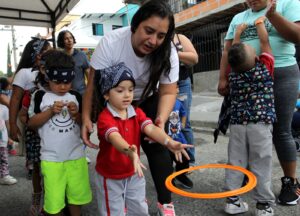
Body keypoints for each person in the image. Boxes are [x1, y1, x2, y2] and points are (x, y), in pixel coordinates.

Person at [82, 1, 181, 215]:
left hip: (147, 98)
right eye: (149, 31)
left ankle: (165, 202)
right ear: (135, 24)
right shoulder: (111, 42)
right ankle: (115, 191)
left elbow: (168, 91)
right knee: (115, 144)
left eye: (161, 35)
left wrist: (161, 121)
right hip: (114, 98)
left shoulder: (167, 52)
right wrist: (86, 116)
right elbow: (92, 84)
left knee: (157, 145)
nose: (154, 41)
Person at [218, 0, 300, 205]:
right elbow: (227, 51)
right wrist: (222, 78)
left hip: (281, 72)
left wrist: (272, 16)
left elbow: (297, 36)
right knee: (246, 130)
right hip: (242, 77)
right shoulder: (238, 18)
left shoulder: (288, 4)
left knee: (281, 130)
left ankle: (291, 182)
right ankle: (246, 174)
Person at [95, 62, 191, 215]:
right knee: (114, 212)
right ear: (106, 94)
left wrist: (169, 142)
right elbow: (115, 138)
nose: (127, 95)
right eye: (120, 90)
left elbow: (151, 128)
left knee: (139, 209)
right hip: (111, 176)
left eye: (131, 90)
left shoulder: (136, 111)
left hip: (134, 172)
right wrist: (130, 152)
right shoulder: (105, 118)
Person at [27, 50, 92, 216]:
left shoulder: (76, 95)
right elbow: (31, 123)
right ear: (48, 76)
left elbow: (86, 125)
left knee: (77, 197)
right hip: (51, 158)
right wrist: (49, 112)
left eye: (68, 81)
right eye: (58, 82)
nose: (63, 86)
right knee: (54, 201)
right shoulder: (40, 96)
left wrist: (76, 114)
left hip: (76, 156)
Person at [224, 16, 276, 215]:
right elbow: (265, 42)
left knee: (235, 161)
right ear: (256, 59)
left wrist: (237, 34)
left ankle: (233, 200)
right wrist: (260, 24)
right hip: (259, 124)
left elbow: (233, 55)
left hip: (237, 124)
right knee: (261, 161)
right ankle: (263, 205)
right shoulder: (264, 70)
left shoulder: (233, 75)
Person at [9, 37, 51, 154]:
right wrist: (13, 125)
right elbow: (15, 99)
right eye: (49, 51)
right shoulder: (25, 73)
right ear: (39, 55)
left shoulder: (51, 71)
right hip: (33, 125)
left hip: (51, 122)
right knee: (36, 158)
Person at [172, 33, 198, 167]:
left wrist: (173, 54)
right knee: (167, 123)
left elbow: (194, 58)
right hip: (161, 85)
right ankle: (170, 159)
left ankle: (190, 160)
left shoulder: (179, 37)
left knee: (184, 123)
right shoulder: (155, 38)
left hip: (181, 83)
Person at [165, 92, 193, 189]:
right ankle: (169, 179)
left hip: (178, 138)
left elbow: (184, 113)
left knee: (185, 159)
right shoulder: (161, 103)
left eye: (176, 87)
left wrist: (183, 124)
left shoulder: (178, 102)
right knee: (167, 162)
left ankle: (180, 175)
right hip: (166, 140)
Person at [57, 30, 90, 95]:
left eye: (71, 38)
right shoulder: (59, 57)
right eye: (66, 38)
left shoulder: (82, 55)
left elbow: (88, 74)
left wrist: (90, 90)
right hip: (64, 94)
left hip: (81, 93)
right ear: (61, 41)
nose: (69, 40)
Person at [0, 77, 17, 185]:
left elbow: (7, 122)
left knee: (3, 158)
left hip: (2, 138)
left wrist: (10, 137)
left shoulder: (4, 107)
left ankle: (4, 175)